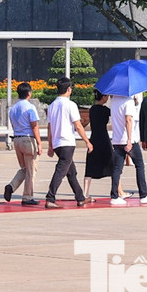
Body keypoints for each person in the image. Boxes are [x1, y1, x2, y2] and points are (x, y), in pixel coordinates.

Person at [42, 76, 91, 209]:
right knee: (61, 170)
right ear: (68, 89)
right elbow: (78, 126)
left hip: (57, 143)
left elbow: (50, 127)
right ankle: (50, 197)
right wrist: (87, 141)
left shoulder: (52, 105)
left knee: (71, 172)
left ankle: (80, 197)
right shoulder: (70, 105)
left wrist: (51, 145)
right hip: (67, 142)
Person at [3, 82, 42, 206]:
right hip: (28, 139)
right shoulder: (30, 107)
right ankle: (27, 196)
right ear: (29, 93)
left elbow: (13, 124)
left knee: (25, 169)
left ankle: (11, 186)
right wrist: (39, 143)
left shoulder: (13, 108)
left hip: (17, 139)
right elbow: (34, 126)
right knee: (31, 170)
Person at [109, 90, 147, 205]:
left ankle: (114, 196)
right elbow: (128, 120)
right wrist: (129, 140)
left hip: (117, 139)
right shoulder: (128, 101)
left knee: (117, 168)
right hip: (127, 140)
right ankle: (143, 194)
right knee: (139, 165)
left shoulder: (114, 101)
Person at [82, 91, 114, 201]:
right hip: (104, 139)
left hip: (94, 138)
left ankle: (85, 193)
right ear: (103, 97)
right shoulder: (105, 110)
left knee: (90, 166)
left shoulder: (92, 109)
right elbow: (115, 113)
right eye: (107, 96)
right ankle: (117, 191)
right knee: (113, 165)